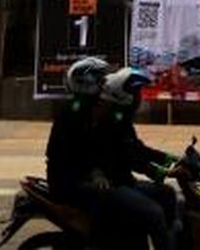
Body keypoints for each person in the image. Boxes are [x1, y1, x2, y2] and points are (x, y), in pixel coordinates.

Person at [46, 59, 178, 250]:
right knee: (154, 212)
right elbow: (80, 152)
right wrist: (95, 173)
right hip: (73, 182)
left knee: (166, 195)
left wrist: (170, 160)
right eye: (100, 81)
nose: (104, 86)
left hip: (104, 178)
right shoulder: (75, 113)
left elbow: (133, 148)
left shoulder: (93, 111)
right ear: (85, 82)